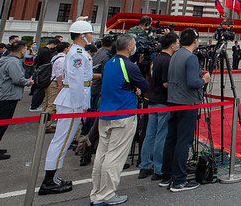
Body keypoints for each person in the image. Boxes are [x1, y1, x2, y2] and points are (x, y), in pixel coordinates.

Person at [90, 34, 149, 205]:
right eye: (135, 44)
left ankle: (96, 193)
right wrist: (135, 85)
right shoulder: (129, 66)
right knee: (115, 157)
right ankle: (106, 195)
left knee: (102, 154)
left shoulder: (110, 63)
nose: (135, 46)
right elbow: (145, 86)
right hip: (123, 114)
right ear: (130, 47)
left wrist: (130, 86)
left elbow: (117, 83)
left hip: (105, 113)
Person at [40, 20, 94, 195]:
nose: (91, 36)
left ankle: (53, 177)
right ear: (82, 36)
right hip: (72, 101)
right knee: (62, 141)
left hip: (71, 100)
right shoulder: (77, 53)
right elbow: (77, 82)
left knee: (62, 139)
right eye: (89, 33)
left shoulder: (78, 52)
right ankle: (50, 180)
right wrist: (81, 105)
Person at [160, 28, 210, 192]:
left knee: (171, 139)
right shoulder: (191, 58)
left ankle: (167, 176)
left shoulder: (175, 55)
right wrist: (204, 80)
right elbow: (192, 82)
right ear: (195, 41)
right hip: (187, 103)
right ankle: (179, 180)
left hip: (173, 100)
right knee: (184, 141)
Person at [0, 40, 32, 161]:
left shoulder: (7, 59)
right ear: (22, 49)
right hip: (7, 95)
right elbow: (17, 79)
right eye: (25, 48)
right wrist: (28, 82)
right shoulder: (13, 62)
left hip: (3, 94)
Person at [139, 31, 178, 180]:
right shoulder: (168, 61)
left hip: (152, 99)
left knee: (150, 134)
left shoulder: (155, 59)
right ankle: (159, 168)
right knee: (161, 135)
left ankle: (144, 165)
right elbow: (166, 83)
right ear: (172, 45)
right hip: (163, 100)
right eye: (177, 42)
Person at [43, 42, 71, 132]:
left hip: (50, 82)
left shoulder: (55, 57)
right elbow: (59, 73)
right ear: (65, 49)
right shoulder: (62, 59)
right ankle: (46, 125)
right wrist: (60, 85)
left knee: (47, 103)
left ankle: (43, 123)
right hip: (55, 83)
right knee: (52, 105)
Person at [29, 38, 59, 111]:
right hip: (43, 72)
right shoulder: (45, 51)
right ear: (53, 44)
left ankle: (35, 105)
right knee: (40, 90)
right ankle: (34, 106)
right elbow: (47, 62)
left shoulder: (43, 50)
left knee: (40, 89)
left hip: (41, 71)